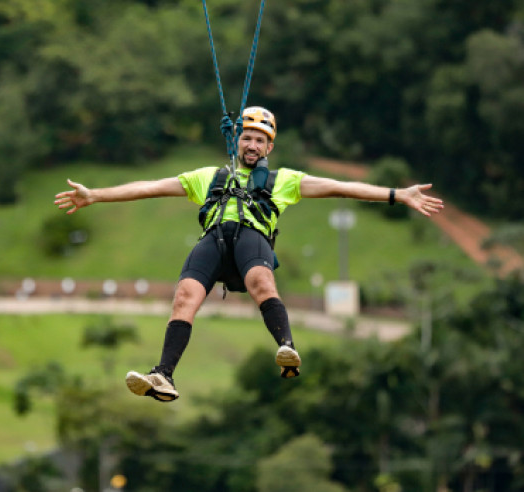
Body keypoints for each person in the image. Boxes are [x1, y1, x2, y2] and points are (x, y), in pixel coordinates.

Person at [53, 106, 445, 402]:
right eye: (247, 137)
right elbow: (150, 186)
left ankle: (286, 346)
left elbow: (341, 187)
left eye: (260, 140)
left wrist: (398, 195)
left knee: (261, 280)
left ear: (269, 147)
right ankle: (164, 376)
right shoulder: (208, 177)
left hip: (251, 242)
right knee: (184, 297)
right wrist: (95, 196)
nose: (252, 145)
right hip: (214, 242)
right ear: (236, 140)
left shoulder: (283, 181)